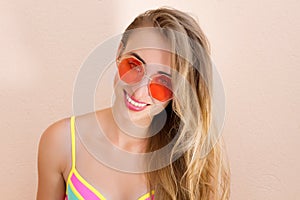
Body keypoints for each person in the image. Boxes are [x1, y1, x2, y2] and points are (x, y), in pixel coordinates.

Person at [37, 7, 230, 200]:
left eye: (163, 82)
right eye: (134, 65)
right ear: (119, 52)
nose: (138, 91)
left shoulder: (192, 163)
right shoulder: (60, 142)